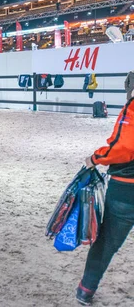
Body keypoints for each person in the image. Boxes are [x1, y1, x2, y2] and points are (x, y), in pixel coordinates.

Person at [76, 94, 134, 305]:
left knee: (107, 241)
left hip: (127, 187)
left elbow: (125, 147)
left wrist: (96, 158)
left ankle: (86, 288)